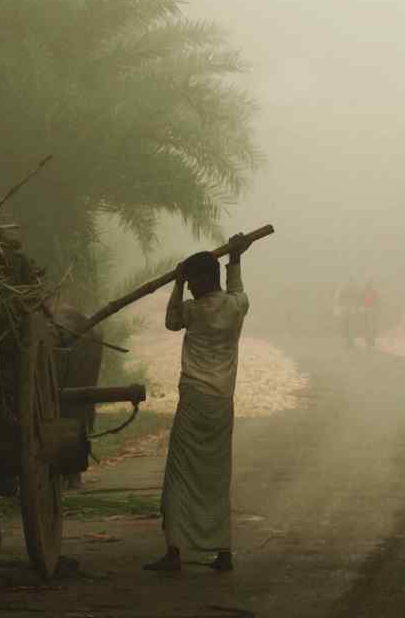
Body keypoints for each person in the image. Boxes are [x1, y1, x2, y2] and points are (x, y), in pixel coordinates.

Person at [144, 233, 251, 573]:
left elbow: (170, 320)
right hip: (221, 402)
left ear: (205, 280)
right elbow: (235, 287)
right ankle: (223, 552)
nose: (189, 288)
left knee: (180, 476)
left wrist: (174, 283)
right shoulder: (237, 307)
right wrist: (236, 257)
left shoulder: (191, 311)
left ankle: (174, 552)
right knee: (217, 477)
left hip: (193, 401)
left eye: (192, 282)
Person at [335, 276, 361, 349]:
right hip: (351, 311)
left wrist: (341, 307)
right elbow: (358, 299)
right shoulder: (355, 289)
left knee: (347, 326)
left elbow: (340, 299)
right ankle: (350, 342)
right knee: (350, 327)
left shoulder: (344, 288)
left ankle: (348, 342)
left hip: (346, 311)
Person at [358, 280, 381, 350]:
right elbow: (360, 300)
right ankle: (369, 340)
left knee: (369, 326)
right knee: (368, 326)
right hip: (368, 310)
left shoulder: (368, 292)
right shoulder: (369, 292)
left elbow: (377, 301)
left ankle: (370, 340)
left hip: (369, 310)